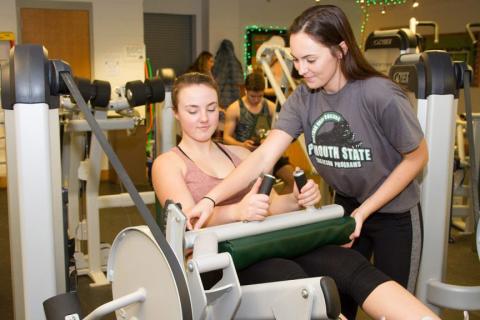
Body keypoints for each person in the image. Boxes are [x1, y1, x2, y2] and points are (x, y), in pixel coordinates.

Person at [188, 5, 429, 319]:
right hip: (343, 207)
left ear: (341, 49)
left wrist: (365, 211)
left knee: (393, 304)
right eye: (295, 59)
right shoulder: (303, 99)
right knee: (337, 303)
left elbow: (417, 157)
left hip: (394, 213)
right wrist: (211, 198)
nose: (301, 69)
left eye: (310, 59)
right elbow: (263, 156)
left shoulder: (379, 94)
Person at [152, 72, 439, 320]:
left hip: (266, 242)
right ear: (176, 112)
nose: (204, 118)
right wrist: (236, 212)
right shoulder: (169, 163)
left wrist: (295, 198)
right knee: (293, 280)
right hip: (218, 262)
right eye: (192, 110)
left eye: (211, 108)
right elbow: (188, 224)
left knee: (346, 263)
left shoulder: (240, 154)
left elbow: (273, 207)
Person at [223, 72, 295, 194]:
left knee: (292, 180)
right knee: (257, 188)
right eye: (252, 96)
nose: (256, 100)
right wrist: (242, 145)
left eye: (259, 96)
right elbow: (226, 137)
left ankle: (277, 210)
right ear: (245, 90)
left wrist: (269, 141)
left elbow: (280, 133)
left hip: (268, 154)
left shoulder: (271, 107)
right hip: (245, 157)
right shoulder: (234, 109)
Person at [212, 39, 245, 109]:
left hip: (221, 98)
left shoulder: (218, 62)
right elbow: (239, 81)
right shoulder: (236, 62)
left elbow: (218, 81)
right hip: (235, 97)